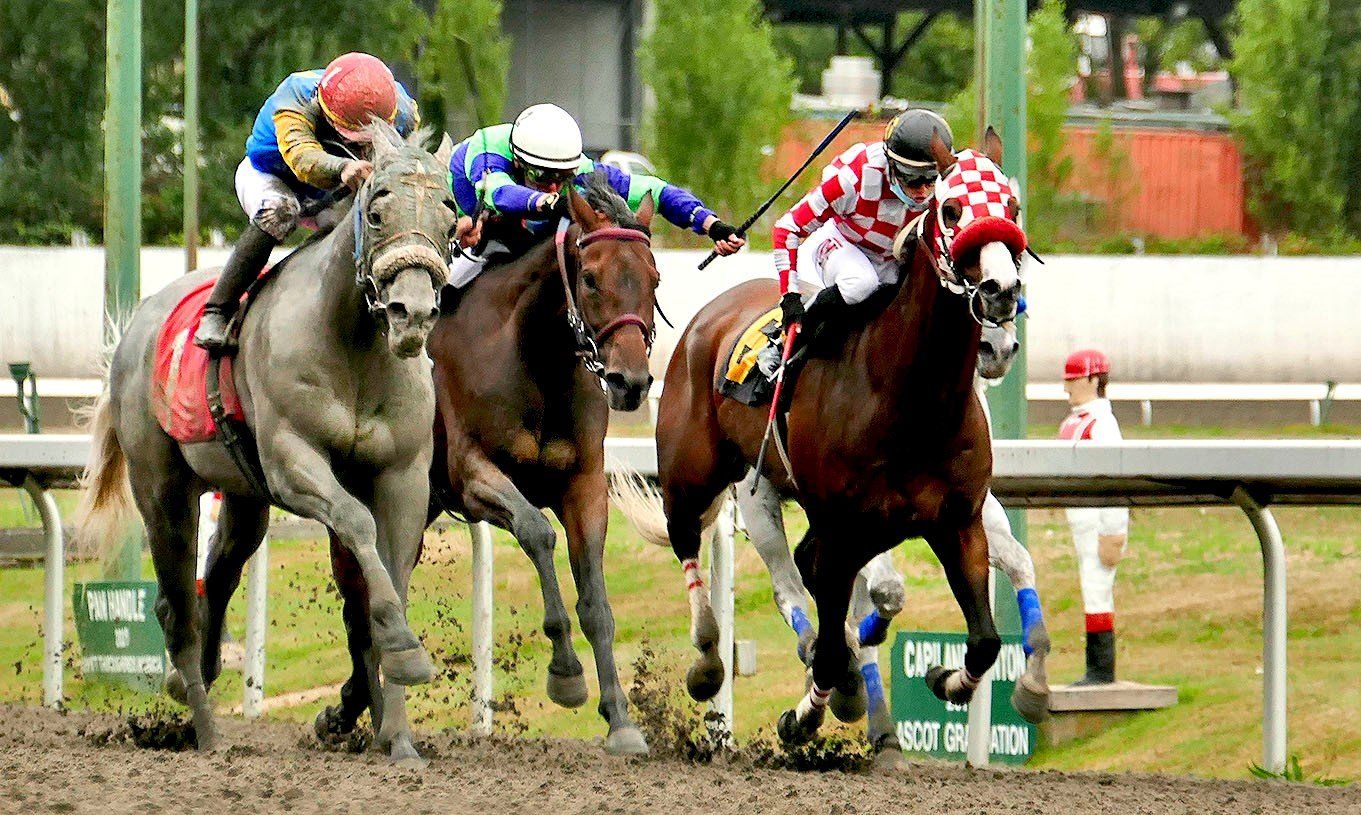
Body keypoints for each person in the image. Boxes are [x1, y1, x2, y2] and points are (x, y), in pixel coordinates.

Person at [194, 52, 420, 352]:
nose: (360, 146)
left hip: (333, 190)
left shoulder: (403, 111)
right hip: (274, 176)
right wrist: (343, 167)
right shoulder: (295, 97)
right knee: (280, 212)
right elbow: (301, 158)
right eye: (353, 138)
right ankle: (217, 310)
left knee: (358, 226)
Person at [445, 103, 744, 289]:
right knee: (446, 286)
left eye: (562, 177)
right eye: (543, 176)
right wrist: (549, 203)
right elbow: (499, 193)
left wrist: (711, 225)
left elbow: (656, 191)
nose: (554, 186)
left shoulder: (582, 170)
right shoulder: (488, 151)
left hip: (524, 233)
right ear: (518, 161)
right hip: (464, 232)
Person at [770, 108, 952, 346]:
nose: (922, 191)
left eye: (930, 179)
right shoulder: (853, 178)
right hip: (844, 243)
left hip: (894, 259)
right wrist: (790, 296)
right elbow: (787, 228)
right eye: (912, 178)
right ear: (891, 164)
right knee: (860, 283)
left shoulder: (951, 183)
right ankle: (784, 341)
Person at [1060, 348, 1130, 685]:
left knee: (1097, 588)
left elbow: (1115, 480)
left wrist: (1114, 530)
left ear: (1092, 379)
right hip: (1082, 523)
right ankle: (1097, 667)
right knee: (1090, 587)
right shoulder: (1078, 421)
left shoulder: (1102, 424)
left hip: (1099, 525)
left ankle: (1101, 668)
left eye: (1073, 379)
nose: (1066, 387)